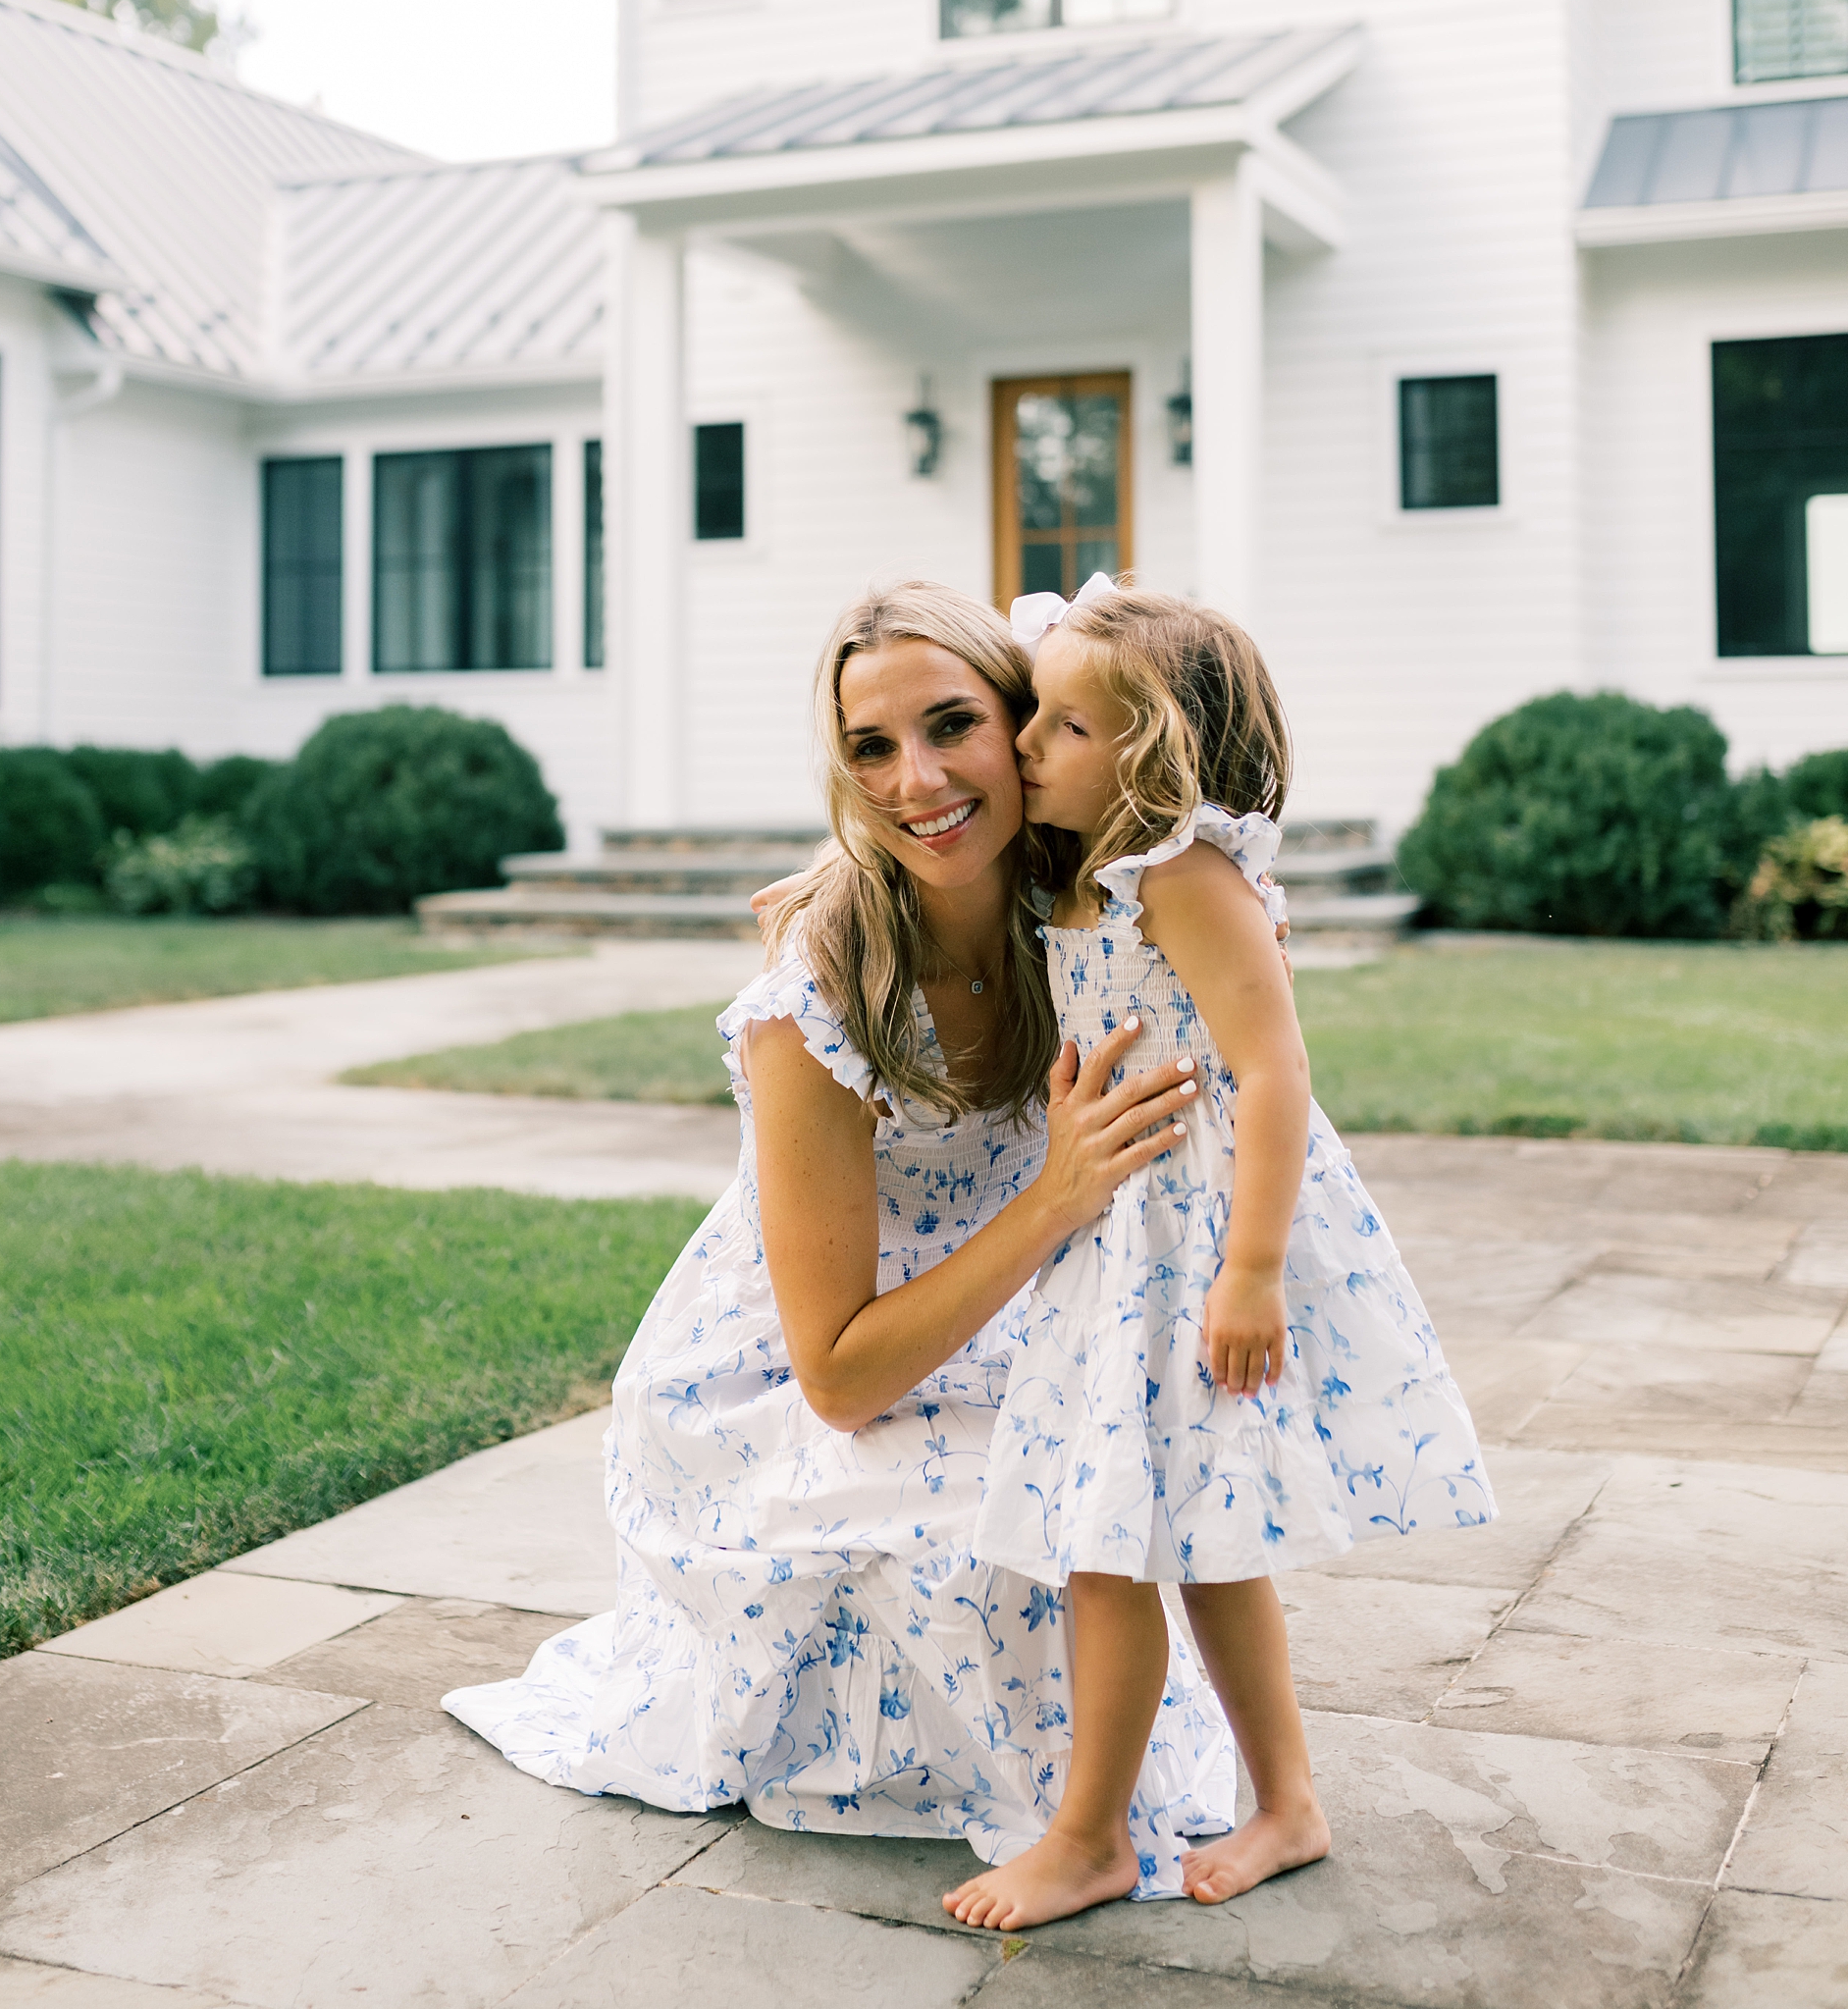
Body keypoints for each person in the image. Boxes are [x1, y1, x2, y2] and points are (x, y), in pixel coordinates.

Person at [443, 579, 1239, 1887]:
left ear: (1030, 729)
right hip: (792, 1379)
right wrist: (1057, 1200)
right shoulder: (814, 994)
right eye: (870, 748)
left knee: (1132, 1488)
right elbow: (840, 1373)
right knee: (1017, 1549)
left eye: (951, 726)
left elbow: (1196, 742)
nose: (915, 779)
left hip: (995, 1320)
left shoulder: (1081, 906)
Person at [944, 575, 1497, 1934]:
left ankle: (1086, 1840)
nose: (1023, 745)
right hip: (1115, 1231)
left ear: (1154, 758)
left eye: (1064, 728)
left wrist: (1248, 1270)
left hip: (1189, 1237)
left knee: (1108, 1542)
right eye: (1037, 714)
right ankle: (1288, 1803)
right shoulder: (1078, 867)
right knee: (1193, 1540)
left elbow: (1275, 1066)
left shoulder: (1180, 875)